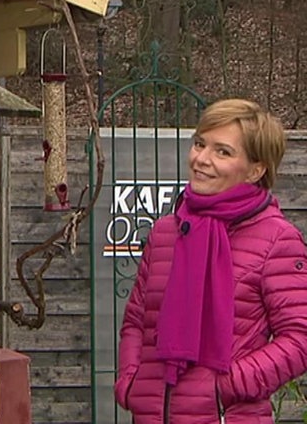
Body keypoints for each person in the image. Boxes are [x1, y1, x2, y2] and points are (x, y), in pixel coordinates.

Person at [115, 98, 307, 424]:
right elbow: (136, 322)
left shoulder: (277, 239)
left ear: (256, 170)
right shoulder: (166, 232)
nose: (201, 159)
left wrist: (228, 386)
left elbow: (300, 338)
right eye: (200, 144)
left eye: (223, 152)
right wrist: (131, 382)